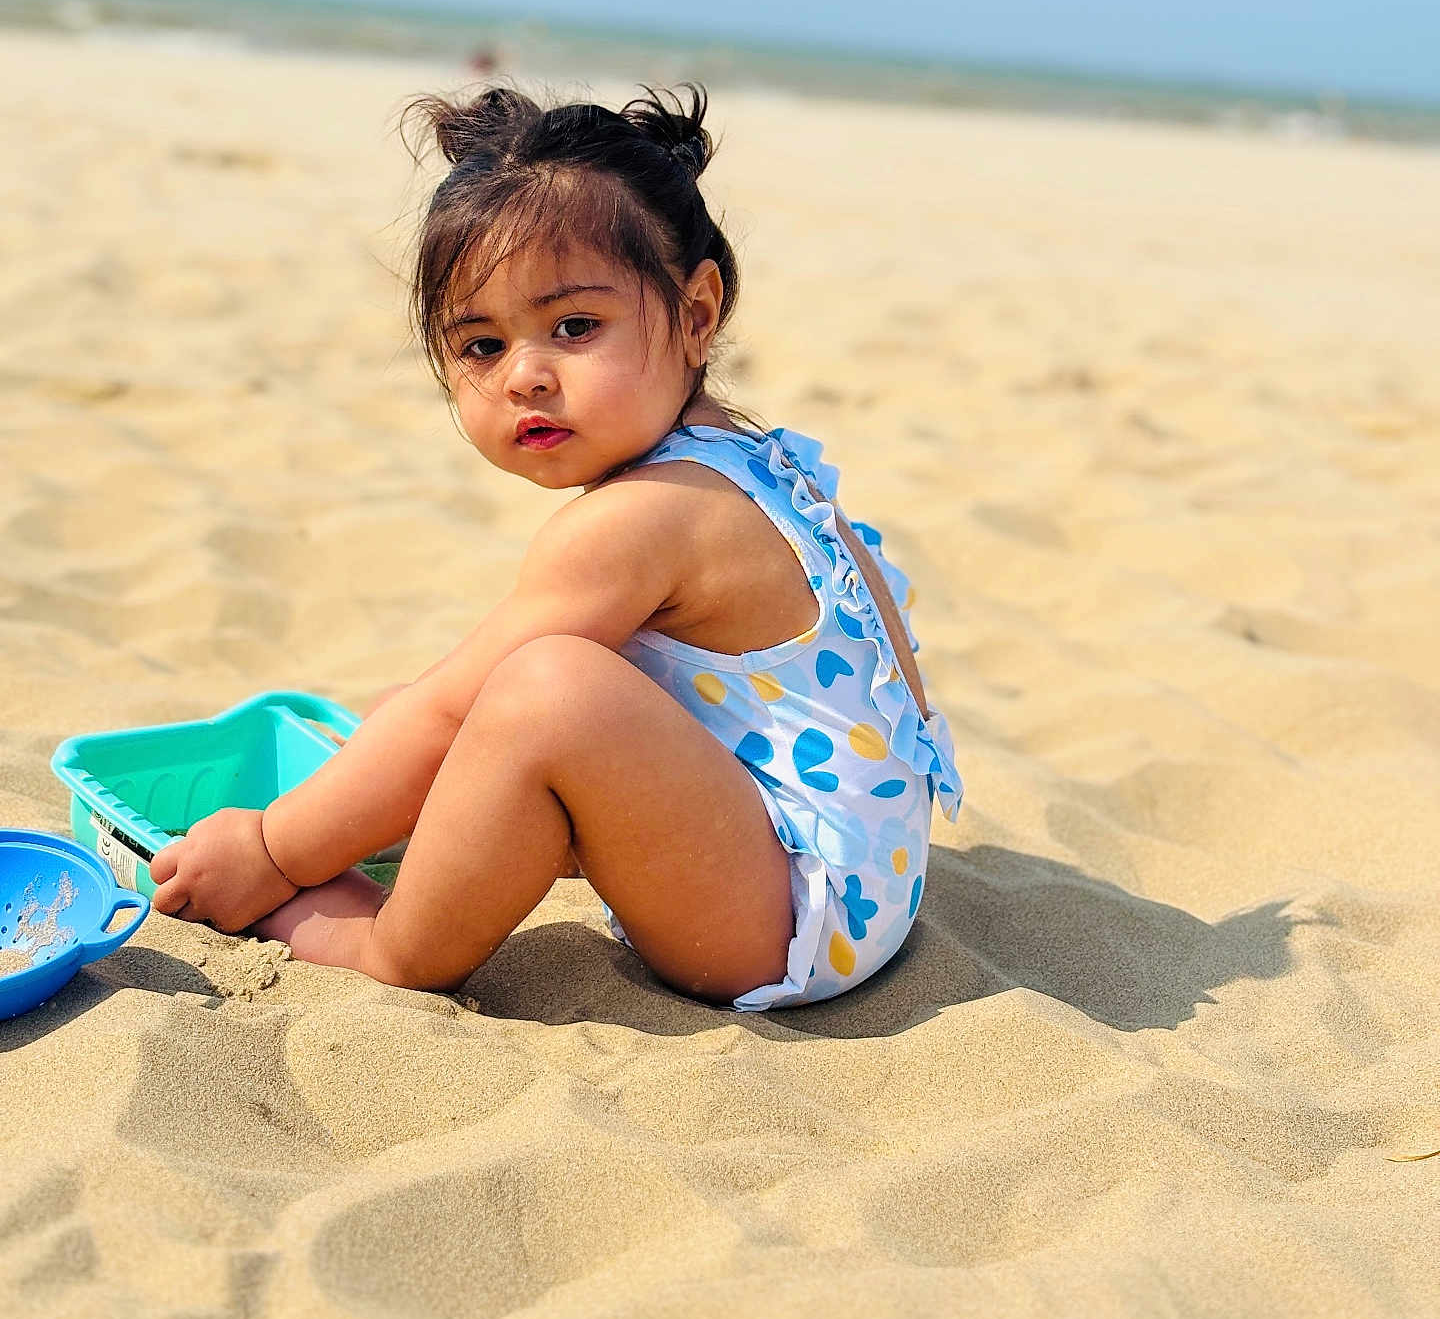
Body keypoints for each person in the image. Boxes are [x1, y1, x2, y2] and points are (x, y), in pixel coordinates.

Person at [148, 85, 962, 1010]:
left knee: (539, 691)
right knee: (414, 715)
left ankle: (388, 947)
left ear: (698, 312)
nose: (526, 375)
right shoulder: (742, 458)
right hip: (855, 868)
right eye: (483, 345)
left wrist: (270, 850)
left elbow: (464, 711)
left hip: (788, 922)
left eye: (575, 328)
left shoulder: (640, 518)